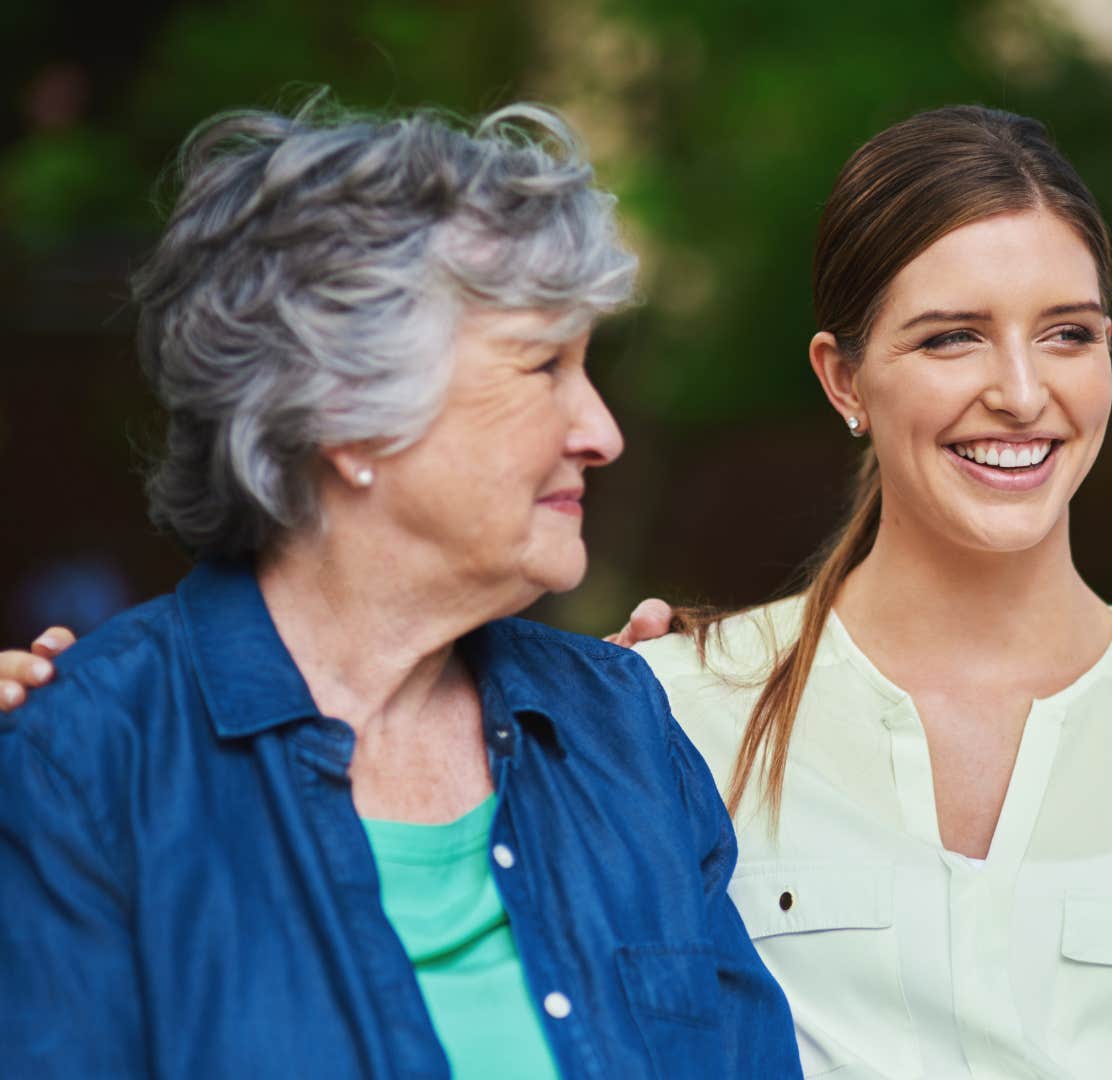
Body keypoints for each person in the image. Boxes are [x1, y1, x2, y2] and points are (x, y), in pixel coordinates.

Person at [0, 102, 798, 1077]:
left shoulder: (619, 726)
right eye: (543, 364)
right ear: (347, 407)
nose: (601, 432)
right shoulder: (86, 760)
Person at [636, 105, 1112, 1078]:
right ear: (845, 380)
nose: (1024, 394)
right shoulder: (676, 713)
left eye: (1068, 334)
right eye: (954, 338)